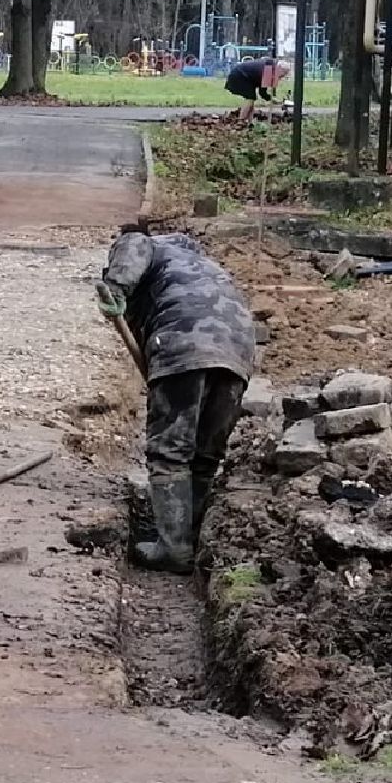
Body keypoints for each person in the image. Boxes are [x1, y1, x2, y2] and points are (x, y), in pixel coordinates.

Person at [98, 229, 257, 574]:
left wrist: (115, 287)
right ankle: (191, 534)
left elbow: (135, 243)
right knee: (204, 455)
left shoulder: (152, 244)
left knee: (170, 452)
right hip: (238, 349)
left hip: (182, 342)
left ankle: (173, 548)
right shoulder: (202, 264)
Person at [225, 56, 289, 123]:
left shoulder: (270, 65)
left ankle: (249, 122)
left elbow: (262, 91)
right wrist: (271, 99)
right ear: (279, 69)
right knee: (250, 98)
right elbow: (262, 93)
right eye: (282, 75)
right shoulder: (269, 70)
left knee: (251, 98)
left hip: (242, 75)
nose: (280, 78)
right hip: (239, 76)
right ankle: (241, 121)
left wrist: (271, 99)